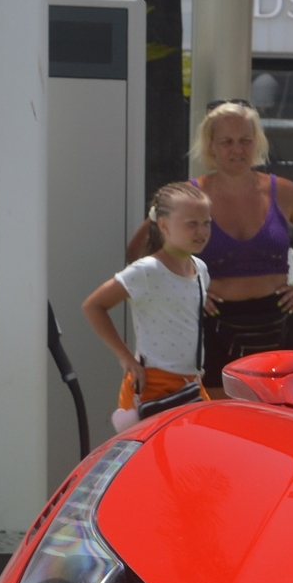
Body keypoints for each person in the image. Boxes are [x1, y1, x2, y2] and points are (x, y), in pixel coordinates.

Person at [125, 99, 293, 395]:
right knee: (218, 426)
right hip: (213, 326)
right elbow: (138, 252)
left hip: (277, 322)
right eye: (227, 141)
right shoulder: (188, 195)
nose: (237, 149)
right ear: (211, 146)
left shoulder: (284, 192)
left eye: (245, 140)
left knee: (280, 428)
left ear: (257, 144)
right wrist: (186, 291)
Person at [87, 182, 212, 431]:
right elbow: (93, 306)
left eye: (206, 222)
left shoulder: (200, 269)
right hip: (153, 386)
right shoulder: (147, 271)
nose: (201, 231)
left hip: (191, 385)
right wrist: (125, 358)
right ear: (163, 225)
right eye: (191, 223)